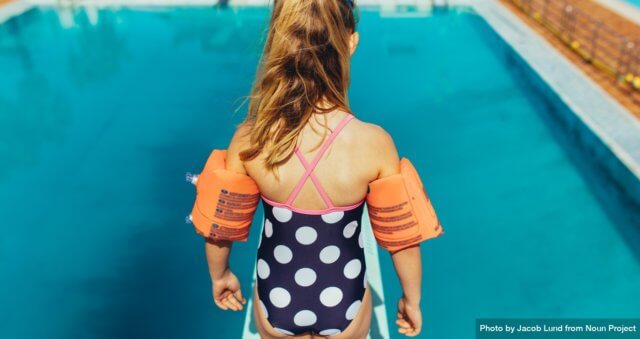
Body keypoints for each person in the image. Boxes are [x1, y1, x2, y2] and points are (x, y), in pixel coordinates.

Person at [202, 0, 434, 337]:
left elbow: (220, 228)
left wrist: (220, 276)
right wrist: (411, 300)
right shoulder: (374, 143)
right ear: (350, 42)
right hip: (345, 302)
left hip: (275, 300)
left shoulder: (251, 139)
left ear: (278, 43)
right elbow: (403, 241)